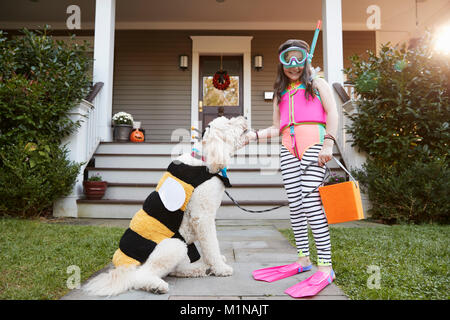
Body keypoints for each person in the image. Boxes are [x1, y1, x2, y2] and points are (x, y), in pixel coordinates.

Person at [246, 39, 339, 298]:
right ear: (281, 61)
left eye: (299, 59)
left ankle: (326, 266)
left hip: (314, 147)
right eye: (289, 60)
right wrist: (252, 136)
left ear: (306, 59)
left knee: (311, 203)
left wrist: (328, 144)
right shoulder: (280, 92)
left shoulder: (318, 84)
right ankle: (302, 259)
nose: (294, 65)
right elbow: (277, 127)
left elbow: (332, 114)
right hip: (288, 150)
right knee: (296, 205)